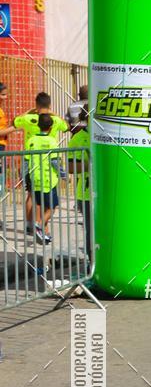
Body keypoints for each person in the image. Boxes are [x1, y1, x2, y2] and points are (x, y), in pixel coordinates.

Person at [11, 93, 68, 233]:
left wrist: (30, 111)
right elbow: (66, 126)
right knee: (47, 199)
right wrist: (52, 112)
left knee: (32, 196)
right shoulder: (54, 121)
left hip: (32, 163)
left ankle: (30, 225)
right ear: (49, 105)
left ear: (36, 104)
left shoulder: (28, 118)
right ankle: (42, 226)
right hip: (48, 167)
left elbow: (14, 121)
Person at [25, 112, 60, 244]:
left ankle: (44, 234)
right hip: (49, 180)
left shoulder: (31, 140)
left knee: (40, 204)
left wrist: (25, 176)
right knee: (51, 208)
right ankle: (38, 225)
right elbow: (55, 161)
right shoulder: (51, 141)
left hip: (35, 179)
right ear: (51, 127)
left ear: (38, 126)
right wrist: (63, 174)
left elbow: (26, 160)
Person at [67, 108, 92, 263]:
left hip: (110, 193)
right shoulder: (77, 139)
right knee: (92, 232)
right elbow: (70, 168)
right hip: (87, 194)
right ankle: (92, 265)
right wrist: (91, 164)